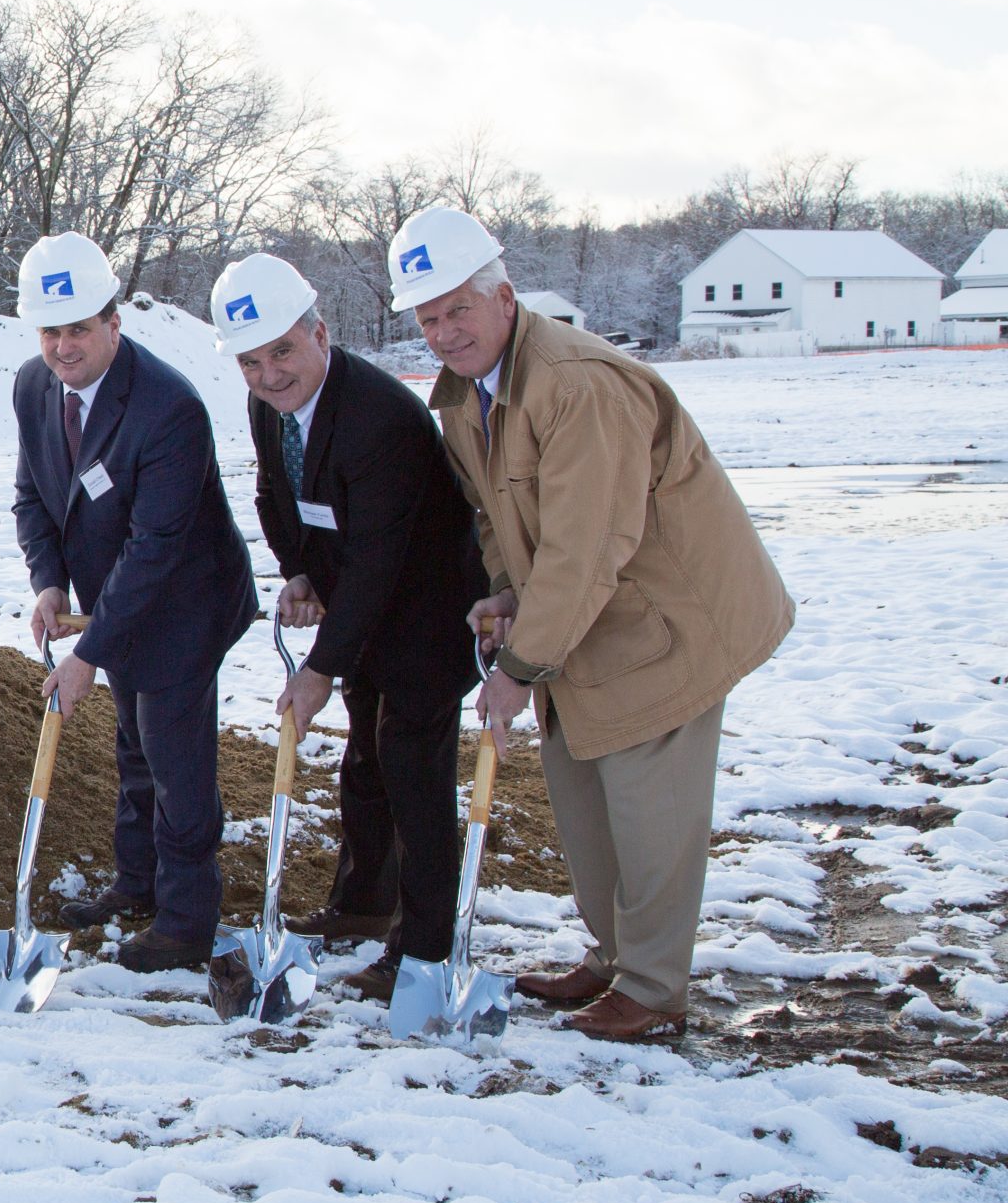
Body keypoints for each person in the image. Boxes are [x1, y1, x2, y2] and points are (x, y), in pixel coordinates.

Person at [390, 205, 794, 1041]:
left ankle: (651, 989)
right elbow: (497, 517)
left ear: (503, 296)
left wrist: (516, 668)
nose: (443, 331)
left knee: (650, 811)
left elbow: (586, 549)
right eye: (428, 317)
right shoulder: (468, 393)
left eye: (457, 308)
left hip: (664, 619)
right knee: (584, 800)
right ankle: (612, 957)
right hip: (582, 621)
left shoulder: (576, 385)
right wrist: (506, 596)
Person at [209, 253, 484, 1002]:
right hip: (360, 605)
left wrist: (321, 666)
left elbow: (379, 559)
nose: (269, 374)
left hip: (429, 612)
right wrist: (299, 572)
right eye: (252, 361)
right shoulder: (269, 405)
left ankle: (423, 948)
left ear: (320, 334)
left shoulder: (379, 418)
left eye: (283, 352)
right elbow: (276, 494)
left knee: (412, 767)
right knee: (365, 761)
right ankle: (364, 902)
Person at [10, 233, 258, 974]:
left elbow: (158, 547)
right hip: (116, 599)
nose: (63, 346)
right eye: (50, 331)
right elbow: (33, 494)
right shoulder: (31, 386)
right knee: (134, 746)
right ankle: (139, 882)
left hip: (186, 600)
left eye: (79, 328)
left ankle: (186, 921)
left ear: (113, 322)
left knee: (175, 757)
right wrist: (48, 582)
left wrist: (89, 651)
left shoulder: (168, 408)